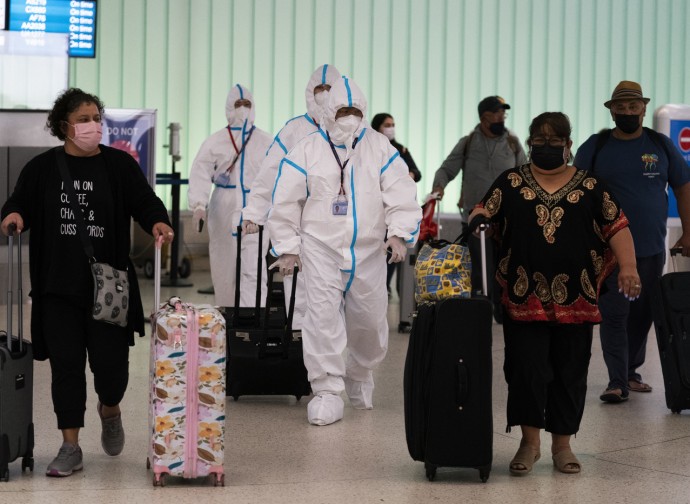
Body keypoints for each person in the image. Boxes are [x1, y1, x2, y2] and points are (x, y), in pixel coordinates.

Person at [0, 88, 174, 477]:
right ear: (64, 126)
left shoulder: (118, 166)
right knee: (66, 367)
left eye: (96, 117)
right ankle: (70, 445)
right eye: (83, 119)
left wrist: (158, 221)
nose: (93, 125)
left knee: (111, 369)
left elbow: (145, 202)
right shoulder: (43, 168)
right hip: (57, 287)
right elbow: (18, 202)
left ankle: (109, 410)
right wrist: (13, 216)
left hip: (108, 289)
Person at [469, 112, 640, 476]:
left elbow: (617, 226)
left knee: (570, 371)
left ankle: (562, 445)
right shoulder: (512, 181)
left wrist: (629, 267)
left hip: (576, 300)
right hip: (522, 298)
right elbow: (484, 211)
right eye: (539, 141)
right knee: (525, 370)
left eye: (554, 141)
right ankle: (529, 444)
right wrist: (478, 219)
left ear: (568, 145)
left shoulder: (591, 186)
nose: (546, 147)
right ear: (530, 143)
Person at [267, 76, 422, 426]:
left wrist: (399, 233)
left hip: (368, 252)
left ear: (363, 111)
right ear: (328, 111)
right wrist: (289, 247)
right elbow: (286, 200)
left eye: (355, 111)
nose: (348, 117)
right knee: (321, 319)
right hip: (320, 249)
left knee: (369, 321)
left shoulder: (380, 147)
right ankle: (326, 390)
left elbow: (401, 191)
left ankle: (360, 370)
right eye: (342, 110)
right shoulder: (307, 149)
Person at [574, 81, 690, 403]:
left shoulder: (661, 145)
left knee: (644, 314)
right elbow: (575, 192)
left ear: (643, 108)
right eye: (620, 107)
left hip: (651, 247)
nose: (627, 112)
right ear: (611, 110)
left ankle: (630, 371)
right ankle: (616, 381)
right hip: (607, 250)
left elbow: (683, 188)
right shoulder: (594, 148)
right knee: (614, 314)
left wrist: (689, 232)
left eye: (633, 106)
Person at [241, 64, 341, 326]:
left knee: (336, 300)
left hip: (340, 227)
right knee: (299, 297)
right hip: (299, 224)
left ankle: (331, 362)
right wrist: (254, 212)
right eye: (318, 89)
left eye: (329, 88)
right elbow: (268, 174)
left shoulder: (352, 131)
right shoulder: (293, 130)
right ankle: (301, 356)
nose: (323, 94)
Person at [432, 96, 527, 315]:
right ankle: (479, 310)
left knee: (506, 267)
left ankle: (504, 311)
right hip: (475, 218)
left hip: (507, 219)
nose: (502, 117)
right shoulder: (468, 142)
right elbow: (446, 169)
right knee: (479, 267)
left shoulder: (512, 143)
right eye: (497, 113)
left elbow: (525, 174)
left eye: (503, 113)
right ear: (484, 117)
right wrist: (439, 187)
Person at [187, 84, 273, 307]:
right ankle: (226, 315)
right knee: (224, 265)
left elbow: (278, 175)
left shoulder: (266, 141)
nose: (242, 109)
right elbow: (200, 171)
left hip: (256, 209)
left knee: (254, 268)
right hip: (223, 207)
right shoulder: (215, 141)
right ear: (228, 108)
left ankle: (253, 320)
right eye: (238, 104)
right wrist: (198, 204)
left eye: (247, 104)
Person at [370, 112, 422, 297]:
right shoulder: (368, 148)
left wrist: (409, 176)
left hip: (391, 209)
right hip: (373, 208)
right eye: (387, 125)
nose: (391, 128)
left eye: (393, 124)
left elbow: (416, 171)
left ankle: (385, 286)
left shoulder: (400, 150)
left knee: (391, 246)